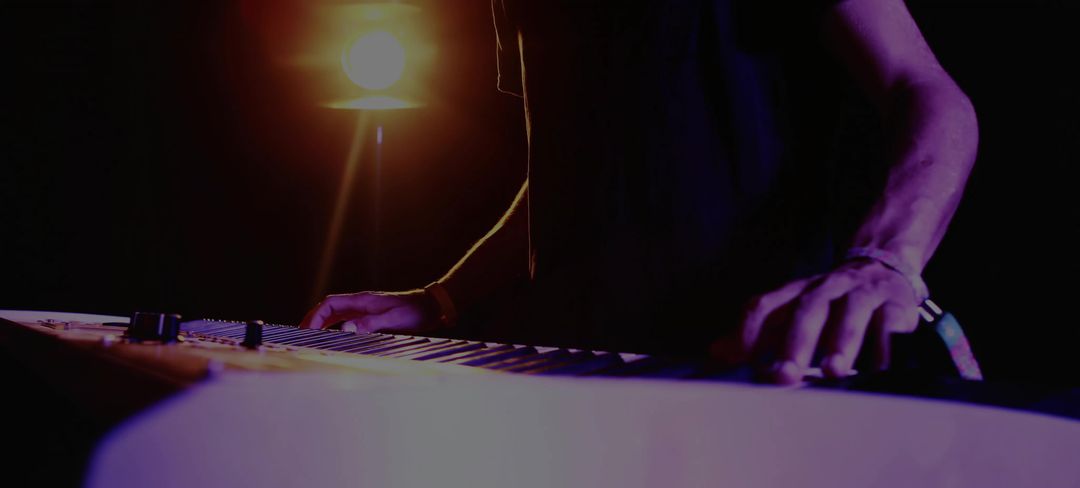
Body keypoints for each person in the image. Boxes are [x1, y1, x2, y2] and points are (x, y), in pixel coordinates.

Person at [301, 0, 978, 385]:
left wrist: (884, 261)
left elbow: (925, 92)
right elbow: (566, 176)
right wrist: (442, 297)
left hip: (759, 370)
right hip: (579, 374)